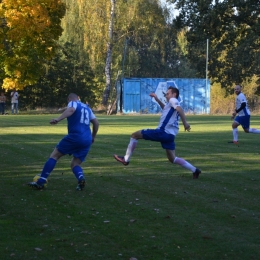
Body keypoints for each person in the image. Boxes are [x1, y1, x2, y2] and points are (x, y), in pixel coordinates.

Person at [114, 86, 201, 179]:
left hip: (162, 132)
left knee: (134, 135)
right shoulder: (170, 105)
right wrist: (156, 98)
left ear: (174, 94)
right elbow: (165, 108)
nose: (166, 96)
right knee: (172, 158)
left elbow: (180, 109)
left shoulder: (173, 100)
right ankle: (195, 170)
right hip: (170, 136)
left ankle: (126, 159)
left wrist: (185, 123)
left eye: (168, 94)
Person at [28, 93, 99, 190]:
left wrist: (58, 119)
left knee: (54, 156)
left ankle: (41, 181)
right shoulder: (87, 107)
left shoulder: (73, 103)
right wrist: (93, 137)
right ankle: (81, 178)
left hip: (75, 136)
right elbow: (96, 123)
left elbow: (71, 110)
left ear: (69, 99)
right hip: (87, 139)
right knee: (75, 164)